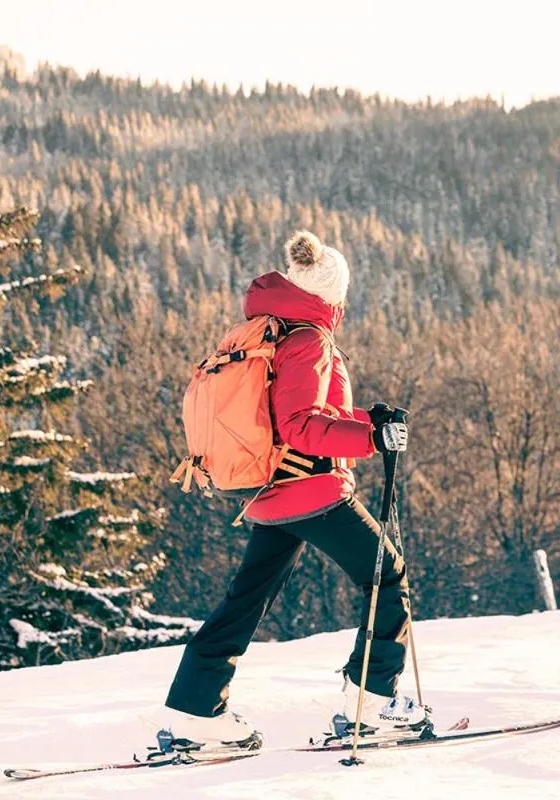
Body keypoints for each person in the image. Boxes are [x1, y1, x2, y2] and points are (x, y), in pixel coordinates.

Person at [162, 231, 424, 748]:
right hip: (311, 489)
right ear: (331, 295)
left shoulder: (267, 331)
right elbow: (303, 425)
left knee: (246, 600)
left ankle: (196, 709)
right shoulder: (310, 340)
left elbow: (289, 417)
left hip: (268, 491)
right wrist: (371, 438)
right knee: (387, 575)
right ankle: (369, 703)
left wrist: (366, 419)